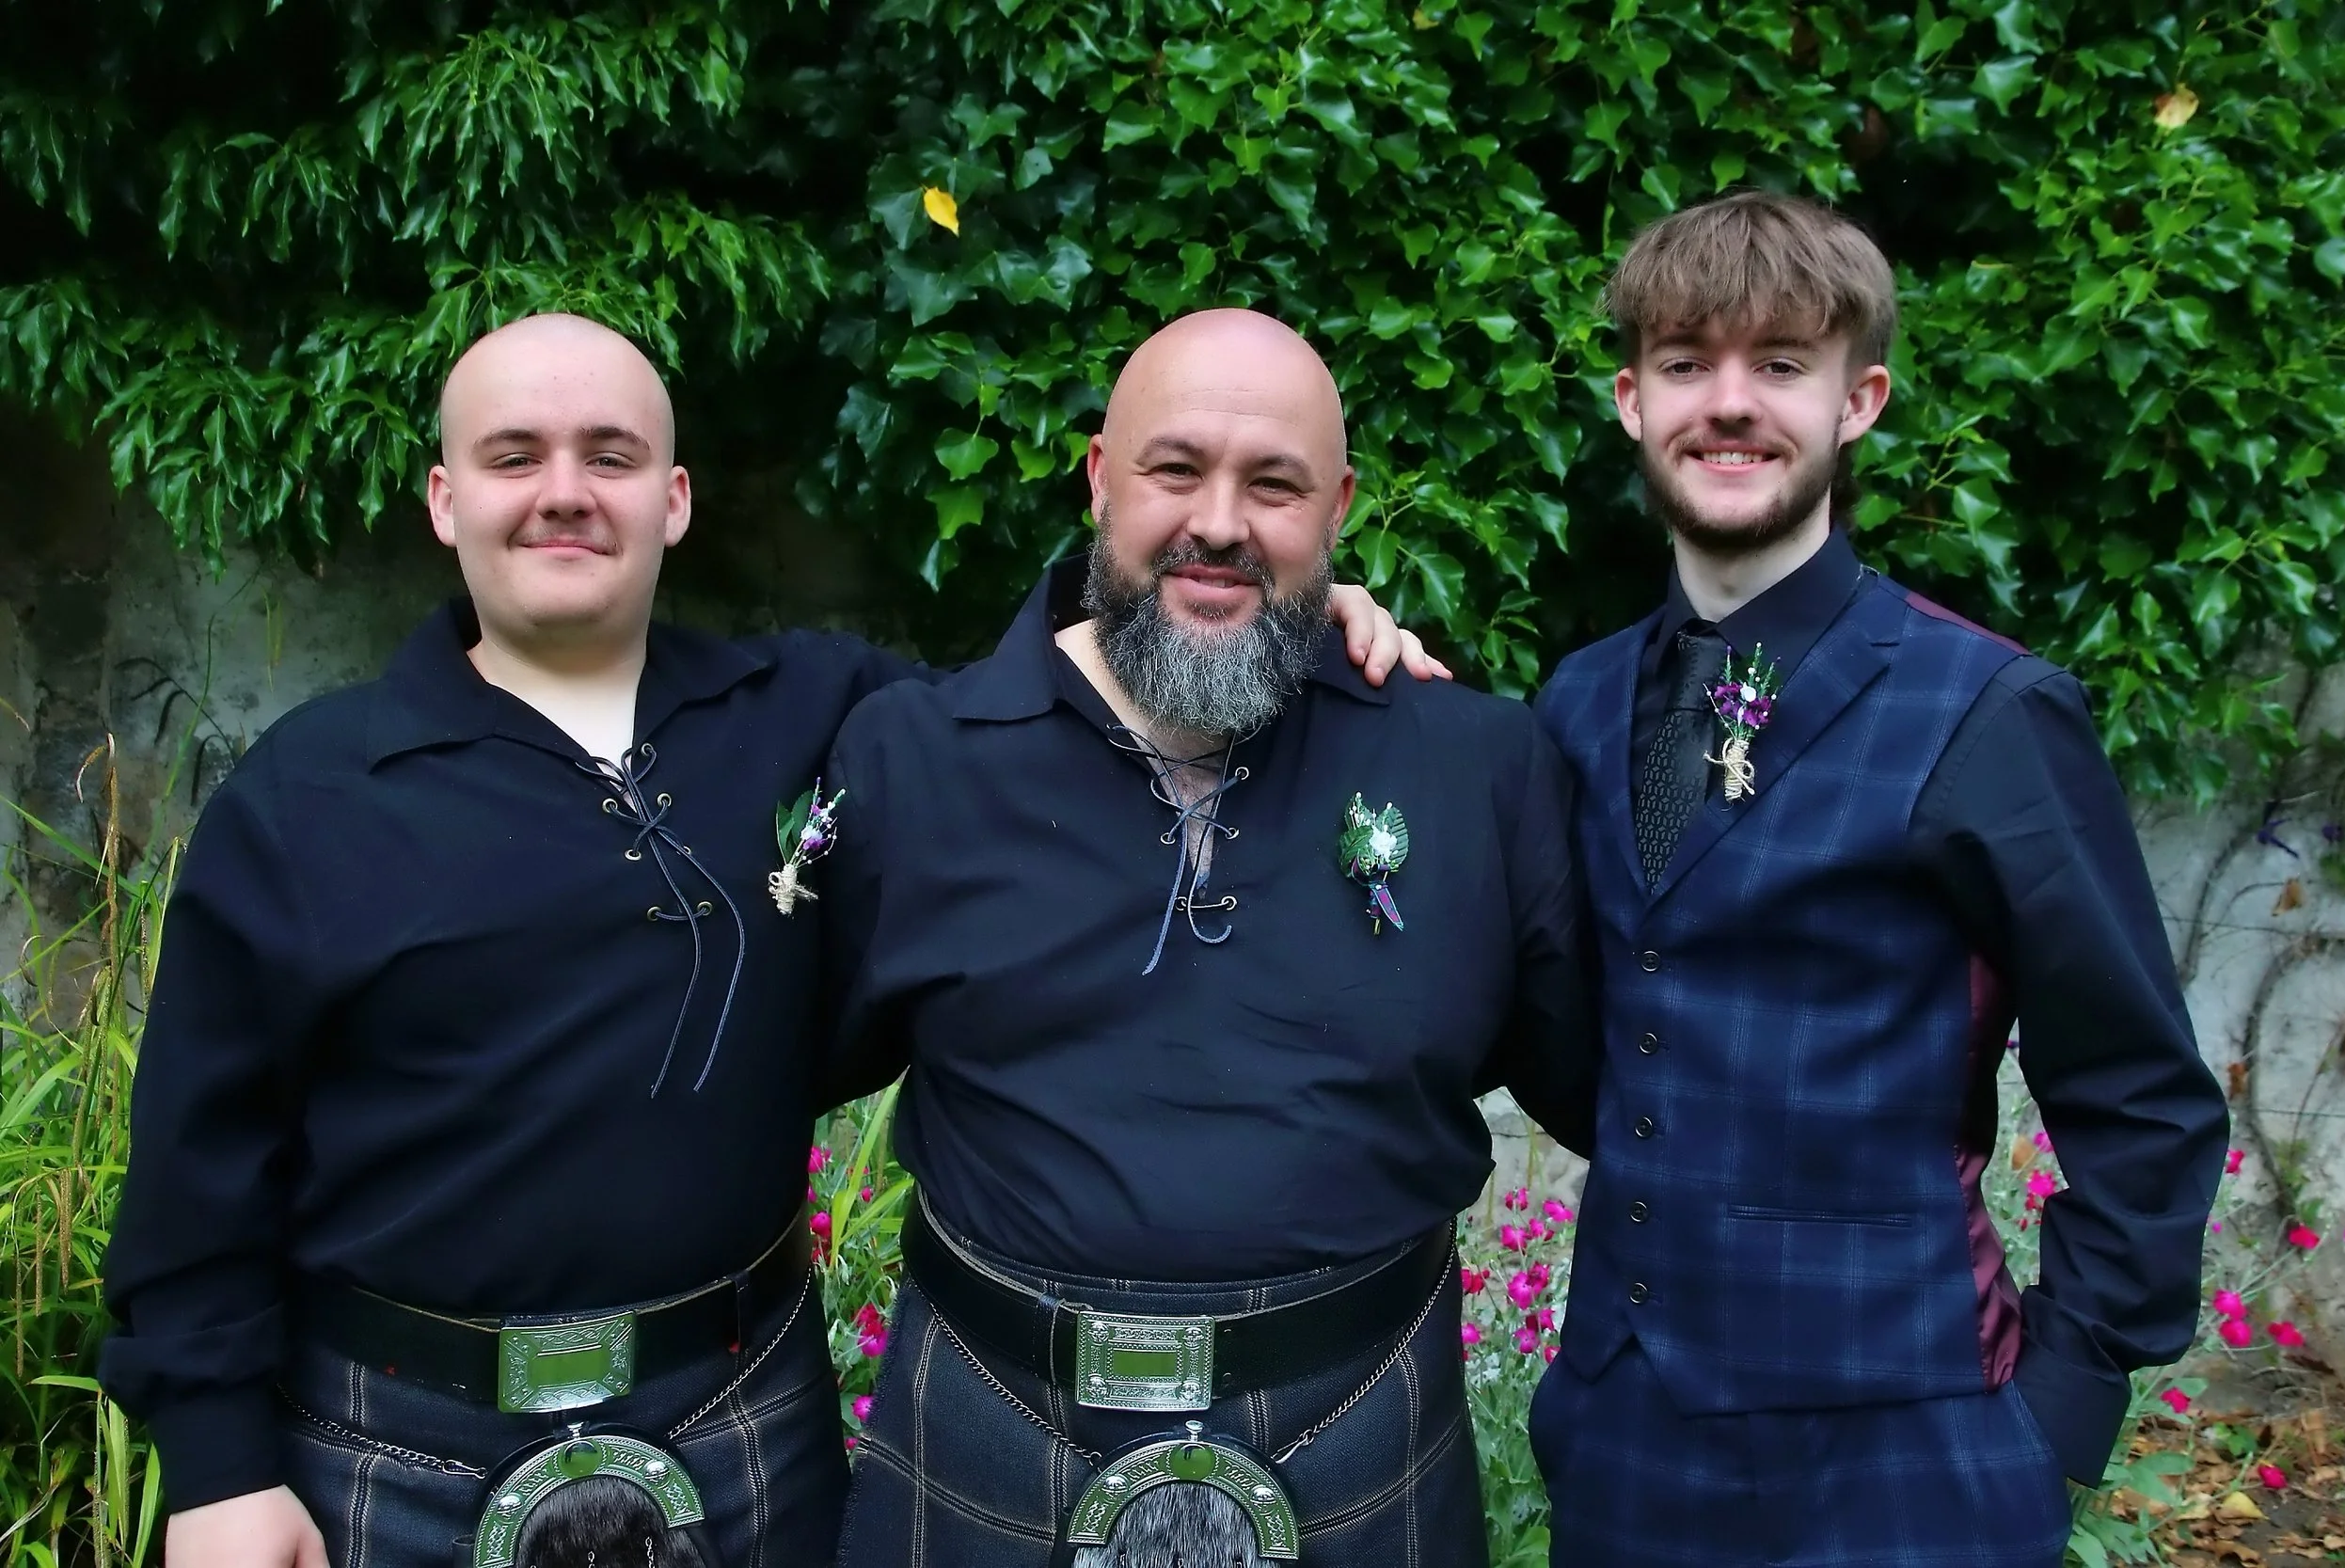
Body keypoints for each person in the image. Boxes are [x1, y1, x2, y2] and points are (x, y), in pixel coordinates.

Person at [98, 312, 1435, 1568]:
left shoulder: (820, 713)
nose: (565, 492)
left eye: (610, 456)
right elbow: (201, 1155)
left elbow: (1064, 700)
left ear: (672, 499)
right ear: (447, 501)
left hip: (741, 1416)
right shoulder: (308, 796)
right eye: (514, 458)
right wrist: (219, 1471)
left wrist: (1285, 610)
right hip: (397, 1441)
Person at [819, 308, 1593, 1567]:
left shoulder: (1479, 769)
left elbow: (1613, 1093)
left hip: (1363, 1441)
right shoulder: (911, 761)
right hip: (986, 1438)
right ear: (1099, 478)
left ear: (1338, 507)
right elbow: (757, 1070)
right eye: (1175, 469)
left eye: (1274, 486)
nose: (1220, 523)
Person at [1529, 192, 2229, 1566]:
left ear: (1859, 402)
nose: (1730, 403)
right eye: (1686, 363)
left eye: (1782, 364)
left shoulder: (1988, 710)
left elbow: (2140, 1088)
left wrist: (2063, 1408)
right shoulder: (1579, 703)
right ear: (1630, 400)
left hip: (1910, 1457)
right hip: (1624, 1448)